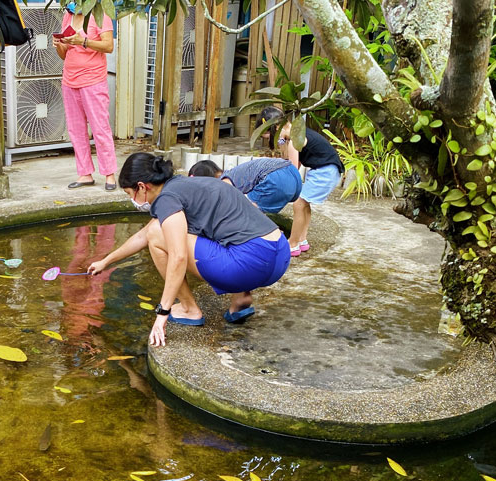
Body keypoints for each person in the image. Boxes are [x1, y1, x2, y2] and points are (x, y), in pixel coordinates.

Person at [87, 152, 290, 346]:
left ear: (142, 187)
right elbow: (142, 234)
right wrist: (106, 261)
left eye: (130, 193)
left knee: (158, 237)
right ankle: (241, 298)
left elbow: (177, 256)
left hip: (249, 265)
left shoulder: (166, 199)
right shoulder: (187, 185)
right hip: (279, 255)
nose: (133, 200)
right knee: (213, 233)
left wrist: (162, 313)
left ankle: (189, 309)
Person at [264, 108, 343, 257]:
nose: (272, 140)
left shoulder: (294, 140)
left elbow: (293, 170)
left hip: (325, 172)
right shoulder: (296, 133)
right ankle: (301, 240)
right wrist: (282, 144)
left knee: (299, 204)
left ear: (276, 128)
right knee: (304, 204)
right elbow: (296, 162)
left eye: (271, 136)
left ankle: (292, 244)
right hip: (327, 170)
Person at [54, 1, 116, 191]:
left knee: (100, 128)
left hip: (93, 79)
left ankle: (109, 175)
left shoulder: (100, 14)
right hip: (69, 80)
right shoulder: (68, 16)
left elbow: (108, 46)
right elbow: (65, 54)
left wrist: (83, 41)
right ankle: (85, 174)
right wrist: (59, 45)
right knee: (76, 129)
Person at [189, 157, 303, 215]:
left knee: (247, 209)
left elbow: (231, 203)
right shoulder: (235, 173)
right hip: (293, 174)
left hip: (275, 179)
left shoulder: (224, 181)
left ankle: (265, 236)